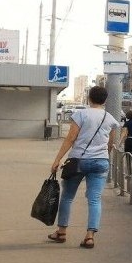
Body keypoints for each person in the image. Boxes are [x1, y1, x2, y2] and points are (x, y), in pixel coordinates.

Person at [47, 86, 120, 249]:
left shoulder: (81, 114)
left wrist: (57, 159)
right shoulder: (109, 118)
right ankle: (89, 237)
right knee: (94, 199)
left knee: (67, 197)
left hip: (78, 161)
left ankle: (61, 232)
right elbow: (111, 143)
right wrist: (102, 154)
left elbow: (71, 138)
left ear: (89, 98)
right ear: (105, 100)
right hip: (100, 162)